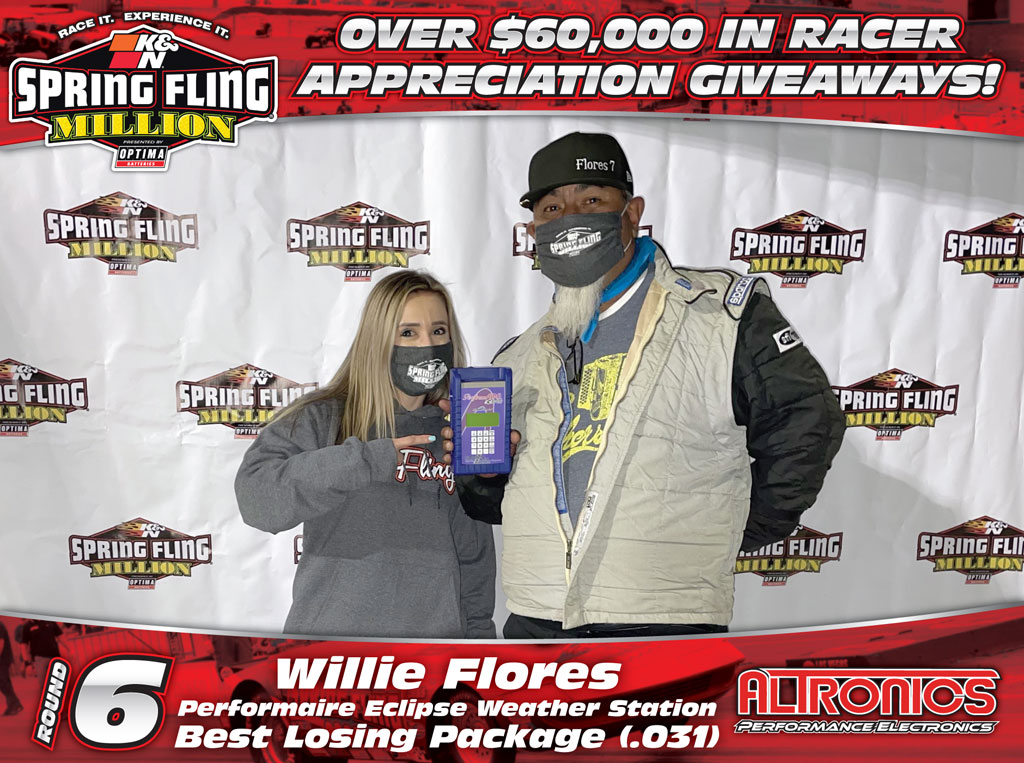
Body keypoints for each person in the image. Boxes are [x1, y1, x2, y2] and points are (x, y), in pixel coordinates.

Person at [451, 132, 845, 639]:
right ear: (533, 232)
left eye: (591, 201)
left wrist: (731, 532)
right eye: (552, 208)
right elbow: (489, 505)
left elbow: (807, 422)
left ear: (631, 214)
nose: (570, 218)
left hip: (662, 622)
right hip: (537, 621)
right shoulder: (518, 355)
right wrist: (484, 477)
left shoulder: (722, 315)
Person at [236, 271, 496, 639]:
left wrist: (479, 645)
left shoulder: (457, 430)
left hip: (431, 655)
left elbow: (474, 558)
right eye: (408, 333)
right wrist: (368, 460)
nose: (427, 344)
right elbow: (258, 501)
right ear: (378, 340)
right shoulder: (324, 417)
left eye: (439, 331)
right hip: (332, 650)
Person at [0, 621, 22, 716]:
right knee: (4, 682)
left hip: (3, 659)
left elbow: (1, 642)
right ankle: (13, 705)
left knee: (3, 682)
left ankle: (15, 704)